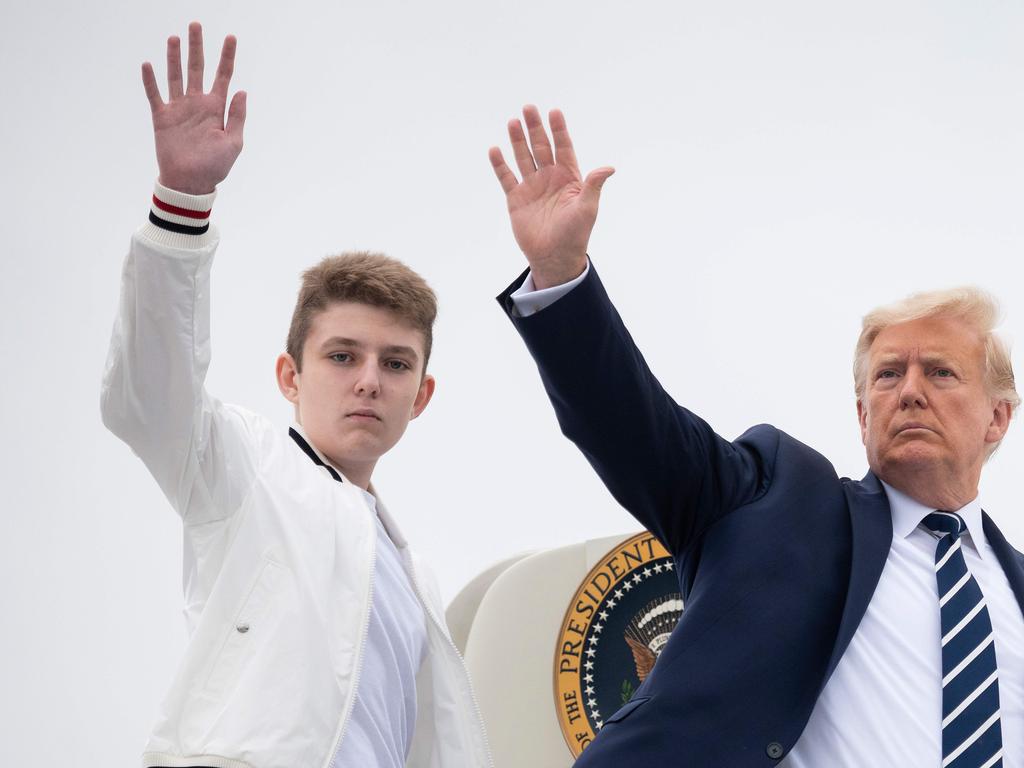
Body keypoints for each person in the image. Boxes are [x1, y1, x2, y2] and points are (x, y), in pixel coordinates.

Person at [488, 105, 1024, 767]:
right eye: (888, 374)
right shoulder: (778, 502)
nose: (909, 390)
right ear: (862, 415)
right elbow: (635, 430)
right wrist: (562, 276)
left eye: (940, 372)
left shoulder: (1014, 591)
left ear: (998, 417)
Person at [100, 23, 490, 768]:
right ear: (290, 375)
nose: (370, 379)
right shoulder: (243, 467)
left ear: (423, 394)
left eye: (396, 363)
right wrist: (182, 199)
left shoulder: (416, 578)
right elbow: (148, 395)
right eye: (342, 355)